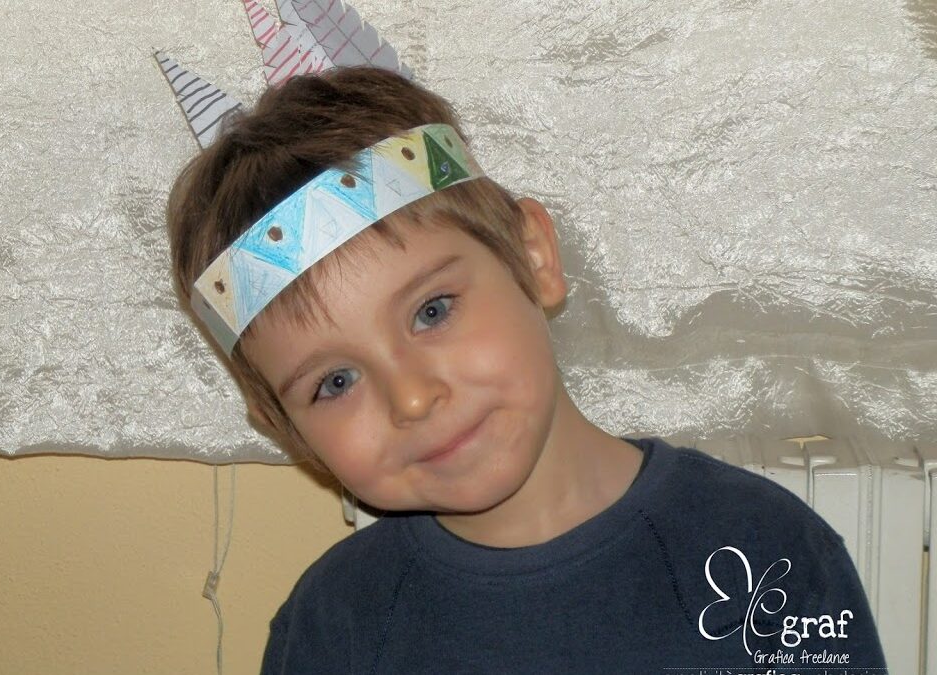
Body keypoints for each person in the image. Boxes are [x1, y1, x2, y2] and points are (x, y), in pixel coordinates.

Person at [166, 66, 888, 673]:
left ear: (533, 256)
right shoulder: (335, 625)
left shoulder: (765, 552)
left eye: (432, 311)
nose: (411, 398)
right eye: (335, 382)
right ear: (284, 427)